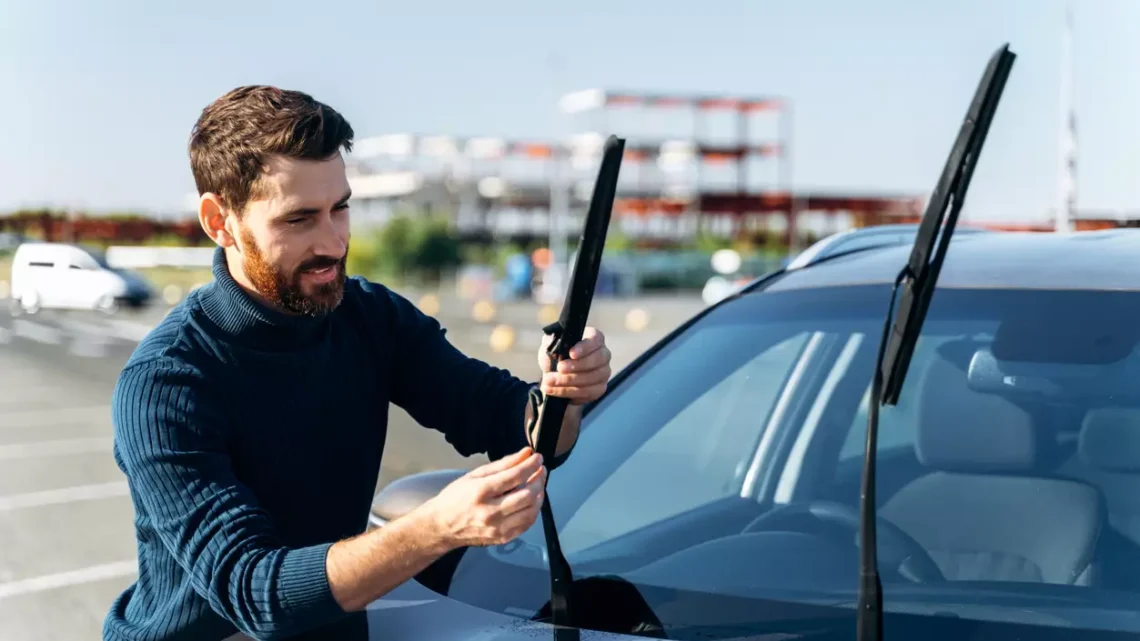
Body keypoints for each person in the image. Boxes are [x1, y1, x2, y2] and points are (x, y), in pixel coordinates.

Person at [103, 86, 613, 641]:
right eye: (299, 219)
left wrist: (564, 388)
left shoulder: (369, 318)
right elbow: (256, 595)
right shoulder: (166, 384)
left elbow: (522, 428)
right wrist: (436, 527)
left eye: (340, 208)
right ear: (219, 221)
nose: (333, 241)